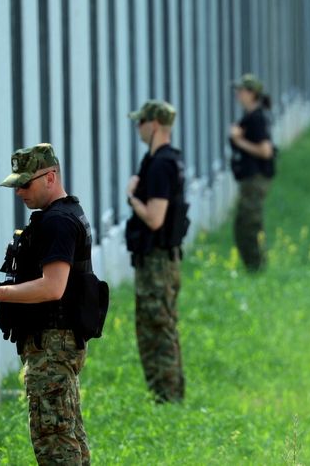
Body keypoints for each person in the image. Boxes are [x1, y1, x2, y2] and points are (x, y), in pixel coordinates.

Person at [0, 143, 93, 465]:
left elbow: (53, 288)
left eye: (26, 184)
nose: (19, 192)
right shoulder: (61, 215)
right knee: (66, 435)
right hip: (54, 342)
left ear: (50, 177)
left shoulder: (58, 223)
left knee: (54, 441)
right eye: (16, 184)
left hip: (52, 344)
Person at [124, 100, 187, 403]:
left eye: (141, 122)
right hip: (154, 261)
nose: (138, 127)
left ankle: (168, 398)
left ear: (156, 125)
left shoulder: (161, 164)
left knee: (159, 330)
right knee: (153, 329)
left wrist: (131, 196)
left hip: (158, 264)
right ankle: (165, 396)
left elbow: (154, 218)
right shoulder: (156, 161)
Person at [229, 74, 276, 272]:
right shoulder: (250, 116)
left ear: (252, 94)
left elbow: (266, 151)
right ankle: (252, 266)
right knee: (243, 224)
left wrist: (239, 141)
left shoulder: (257, 118)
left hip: (255, 178)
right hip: (249, 178)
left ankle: (257, 266)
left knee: (249, 224)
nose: (238, 95)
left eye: (242, 91)